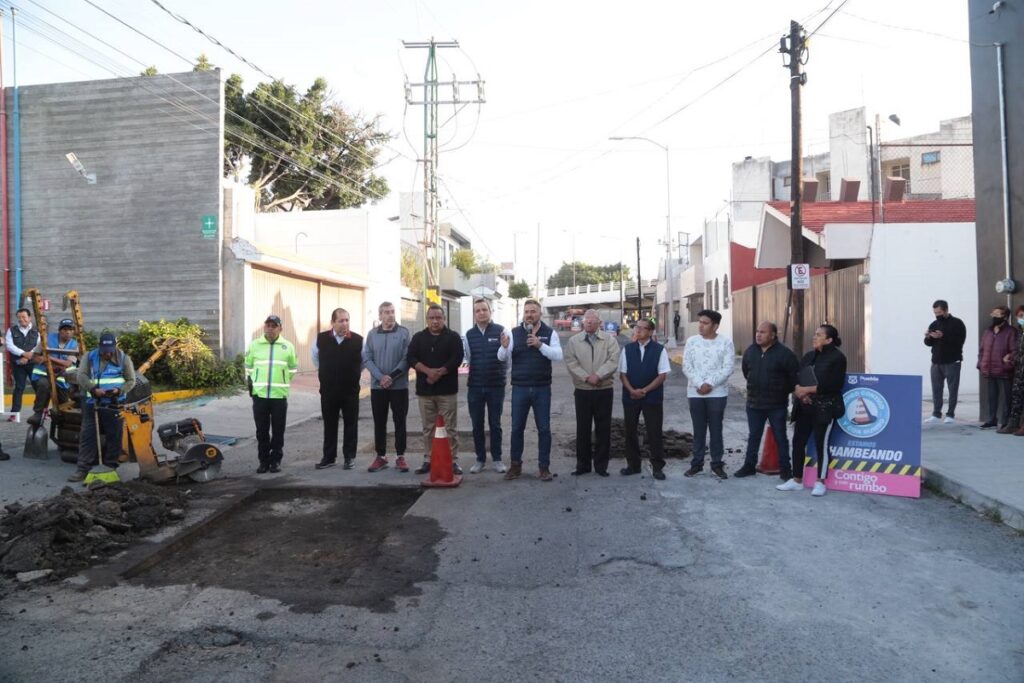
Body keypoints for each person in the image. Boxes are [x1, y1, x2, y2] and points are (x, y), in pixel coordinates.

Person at [777, 324, 847, 497]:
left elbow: (833, 384)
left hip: (825, 408)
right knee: (798, 441)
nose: (814, 337)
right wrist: (801, 394)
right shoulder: (809, 356)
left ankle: (820, 482)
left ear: (829, 340)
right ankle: (796, 480)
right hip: (804, 406)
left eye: (819, 335)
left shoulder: (838, 358)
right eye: (815, 334)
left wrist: (807, 390)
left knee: (821, 444)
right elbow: (797, 377)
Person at [499, 299, 563, 481]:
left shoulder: (550, 333)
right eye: (527, 311)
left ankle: (544, 468)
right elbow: (501, 357)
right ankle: (515, 466)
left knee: (544, 429)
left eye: (533, 311)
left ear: (540, 313)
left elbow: (558, 355)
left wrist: (540, 345)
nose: (529, 315)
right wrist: (504, 347)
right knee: (516, 429)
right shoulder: (513, 333)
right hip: (520, 388)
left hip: (542, 388)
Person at [68, 332, 136, 483]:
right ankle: (83, 468)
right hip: (92, 401)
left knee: (114, 435)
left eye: (110, 351)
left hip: (114, 402)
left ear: (115, 347)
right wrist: (93, 389)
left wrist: (119, 390)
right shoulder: (89, 357)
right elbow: (81, 376)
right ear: (99, 347)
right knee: (88, 434)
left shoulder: (124, 358)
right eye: (104, 351)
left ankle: (110, 467)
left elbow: (131, 380)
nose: (107, 354)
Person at [735, 321, 799, 479]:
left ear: (773, 335)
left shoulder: (785, 354)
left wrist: (781, 390)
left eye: (763, 332)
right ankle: (749, 466)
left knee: (780, 437)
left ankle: (785, 469)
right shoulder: (751, 351)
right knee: (754, 436)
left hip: (776, 405)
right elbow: (746, 372)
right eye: (757, 331)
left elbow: (793, 378)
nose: (758, 334)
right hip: (754, 403)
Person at [407, 304, 464, 475]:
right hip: (425, 392)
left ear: (444, 319)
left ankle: (453, 461)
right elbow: (411, 358)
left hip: (447, 391)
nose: (435, 321)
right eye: (431, 318)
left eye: (438, 318)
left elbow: (457, 358)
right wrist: (427, 371)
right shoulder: (418, 338)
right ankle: (428, 459)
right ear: (427, 320)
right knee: (428, 428)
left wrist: (439, 373)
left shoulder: (453, 337)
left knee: (450, 427)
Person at [564, 309, 620, 476]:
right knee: (583, 429)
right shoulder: (574, 341)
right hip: (583, 390)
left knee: (603, 429)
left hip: (604, 390)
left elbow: (613, 360)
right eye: (586, 320)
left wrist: (599, 375)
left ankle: (601, 466)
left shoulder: (609, 340)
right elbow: (571, 362)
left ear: (599, 323)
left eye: (592, 320)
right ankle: (583, 465)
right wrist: (587, 378)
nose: (588, 322)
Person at [682, 309, 735, 480]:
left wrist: (710, 384)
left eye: (705, 323)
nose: (701, 326)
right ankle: (696, 464)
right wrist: (700, 384)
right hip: (695, 392)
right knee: (698, 430)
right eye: (700, 322)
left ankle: (717, 464)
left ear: (715, 326)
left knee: (716, 429)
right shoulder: (692, 342)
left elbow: (728, 367)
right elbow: (686, 366)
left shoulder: (725, 342)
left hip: (717, 393)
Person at [244, 315, 299, 473]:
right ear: (264, 327)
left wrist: (283, 380)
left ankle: (275, 461)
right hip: (259, 396)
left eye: (274, 326)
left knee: (278, 431)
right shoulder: (255, 345)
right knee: (261, 432)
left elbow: (293, 368)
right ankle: (263, 461)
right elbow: (248, 366)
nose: (270, 328)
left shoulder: (287, 346)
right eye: (268, 325)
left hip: (279, 396)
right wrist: (254, 382)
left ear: (280, 328)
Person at [363, 301, 412, 472]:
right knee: (379, 422)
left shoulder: (404, 333)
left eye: (392, 311)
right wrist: (380, 377)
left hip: (399, 387)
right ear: (380, 316)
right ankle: (381, 456)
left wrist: (391, 377)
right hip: (378, 388)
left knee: (400, 421)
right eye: (386, 312)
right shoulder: (372, 334)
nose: (390, 315)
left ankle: (400, 456)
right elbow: (367, 358)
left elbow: (407, 358)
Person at [619, 318, 670, 480]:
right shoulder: (628, 349)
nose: (638, 330)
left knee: (654, 431)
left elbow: (662, 375)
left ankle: (657, 467)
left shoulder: (659, 350)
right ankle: (633, 465)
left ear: (650, 331)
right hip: (630, 396)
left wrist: (645, 390)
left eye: (642, 328)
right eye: (636, 327)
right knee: (630, 431)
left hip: (652, 397)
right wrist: (631, 390)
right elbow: (622, 374)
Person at [313, 308, 363, 470]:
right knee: (329, 425)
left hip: (350, 391)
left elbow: (362, 363)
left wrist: (351, 375)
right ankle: (329, 457)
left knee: (351, 425)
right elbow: (316, 359)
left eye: (347, 320)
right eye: (341, 321)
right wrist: (327, 373)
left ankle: (349, 457)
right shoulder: (321, 339)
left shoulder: (358, 340)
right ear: (332, 322)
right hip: (328, 391)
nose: (345, 324)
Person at [462, 298, 508, 474]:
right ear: (474, 314)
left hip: (496, 386)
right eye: (478, 310)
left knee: (495, 424)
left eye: (484, 309)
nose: (481, 313)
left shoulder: (501, 331)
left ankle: (497, 459)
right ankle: (480, 459)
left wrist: (500, 375)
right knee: (477, 425)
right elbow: (468, 358)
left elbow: (507, 358)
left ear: (490, 311)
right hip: (475, 386)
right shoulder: (469, 335)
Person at [28, 318, 80, 426]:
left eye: (70, 330)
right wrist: (41, 359)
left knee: (63, 406)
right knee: (43, 385)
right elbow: (35, 357)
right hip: (44, 375)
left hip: (62, 380)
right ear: (59, 330)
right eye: (65, 329)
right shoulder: (46, 339)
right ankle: (38, 413)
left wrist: (48, 358)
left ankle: (62, 425)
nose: (68, 332)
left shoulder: (75, 345)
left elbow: (67, 363)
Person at [924, 299, 967, 424]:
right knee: (936, 389)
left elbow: (959, 341)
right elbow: (928, 343)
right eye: (935, 313)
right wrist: (928, 337)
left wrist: (943, 336)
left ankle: (950, 414)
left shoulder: (957, 323)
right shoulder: (934, 324)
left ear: (946, 310)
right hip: (936, 362)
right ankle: (936, 414)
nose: (937, 315)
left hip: (952, 361)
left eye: (939, 312)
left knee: (952, 389)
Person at [978, 305, 1019, 429]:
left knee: (1006, 398)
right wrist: (980, 364)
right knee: (991, 397)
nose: (994, 317)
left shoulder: (1011, 332)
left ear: (1005, 317)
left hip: (1004, 370)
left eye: (997, 314)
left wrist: (1008, 363)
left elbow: (1015, 351)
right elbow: (982, 350)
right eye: (993, 314)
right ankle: (991, 420)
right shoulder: (988, 331)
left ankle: (1005, 422)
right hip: (989, 369)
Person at [5, 308, 39, 420]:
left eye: (24, 317)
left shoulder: (36, 330)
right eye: (19, 317)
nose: (21, 319)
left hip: (33, 363)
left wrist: (29, 356)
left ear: (29, 317)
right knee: (19, 387)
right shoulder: (11, 330)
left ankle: (41, 411)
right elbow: (9, 345)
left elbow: (39, 346)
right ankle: (14, 413)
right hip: (18, 364)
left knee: (38, 387)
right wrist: (23, 354)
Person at [999, 305, 1024, 435]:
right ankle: (1013, 424)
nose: (1021, 318)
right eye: (1019, 316)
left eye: (1023, 316)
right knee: (1016, 397)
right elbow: (1017, 349)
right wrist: (1011, 356)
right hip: (1019, 370)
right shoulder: (1019, 332)